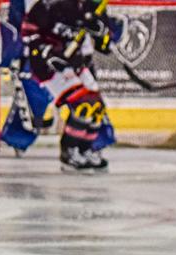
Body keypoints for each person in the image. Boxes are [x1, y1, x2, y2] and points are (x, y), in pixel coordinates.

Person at [20, 0, 118, 172]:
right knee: (83, 104)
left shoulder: (92, 7)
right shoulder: (50, 4)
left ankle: (85, 149)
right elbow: (29, 32)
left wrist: (102, 33)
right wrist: (46, 53)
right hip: (49, 68)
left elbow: (105, 46)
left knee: (97, 108)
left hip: (76, 63)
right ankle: (69, 152)